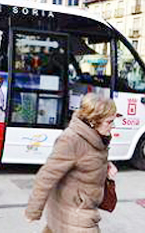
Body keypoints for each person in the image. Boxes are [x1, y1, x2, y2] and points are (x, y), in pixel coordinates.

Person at [24, 92, 119, 233]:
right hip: (76, 217)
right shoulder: (71, 140)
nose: (113, 126)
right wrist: (33, 211)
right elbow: (47, 175)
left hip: (76, 212)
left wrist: (105, 165)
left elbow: (87, 158)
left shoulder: (97, 137)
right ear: (93, 121)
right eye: (109, 121)